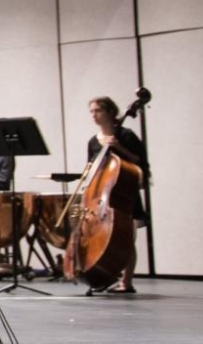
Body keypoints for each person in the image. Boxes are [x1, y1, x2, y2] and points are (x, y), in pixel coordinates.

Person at [86, 96, 148, 294]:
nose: (94, 115)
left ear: (111, 112)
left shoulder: (126, 135)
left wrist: (119, 148)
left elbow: (140, 162)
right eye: (92, 111)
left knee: (126, 240)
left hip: (123, 192)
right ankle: (106, 275)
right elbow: (91, 167)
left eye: (98, 111)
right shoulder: (93, 142)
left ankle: (126, 282)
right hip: (102, 197)